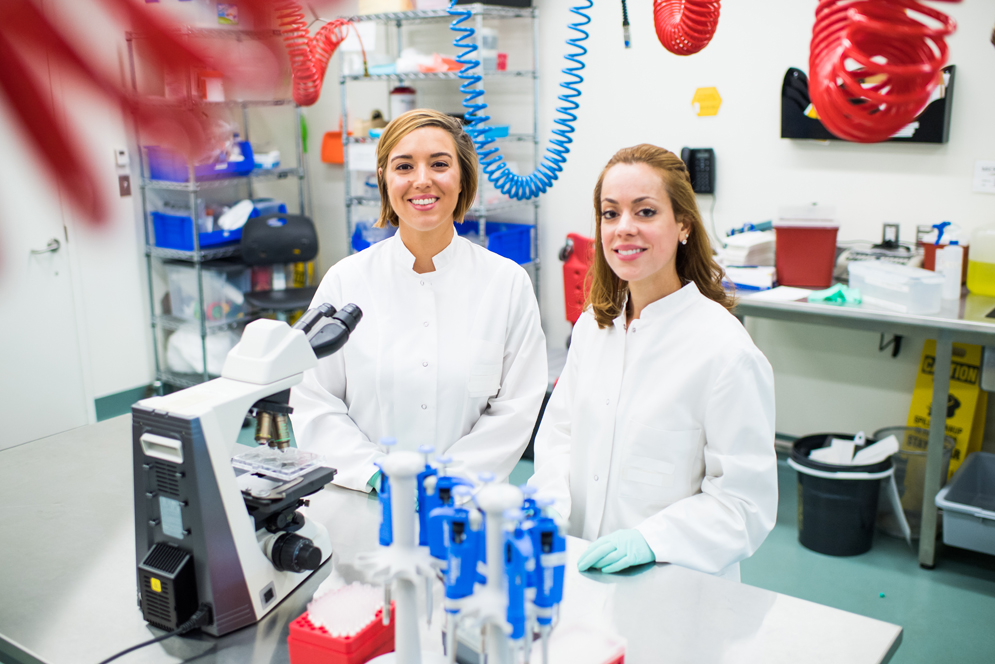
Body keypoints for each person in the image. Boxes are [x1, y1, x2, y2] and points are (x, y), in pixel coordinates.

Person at [528, 144, 777, 581]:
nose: (624, 228)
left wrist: (653, 540)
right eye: (610, 213)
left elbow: (743, 504)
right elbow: (560, 436)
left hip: (674, 581)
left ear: (683, 224)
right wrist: (546, 507)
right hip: (582, 567)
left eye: (645, 212)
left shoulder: (725, 351)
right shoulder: (593, 326)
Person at [290, 109, 547, 492]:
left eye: (440, 164)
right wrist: (375, 474)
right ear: (384, 179)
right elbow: (314, 400)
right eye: (404, 166)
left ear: (463, 179)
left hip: (469, 504)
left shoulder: (506, 283)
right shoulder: (346, 281)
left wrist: (449, 481)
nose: (422, 180)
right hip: (366, 499)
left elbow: (515, 408)